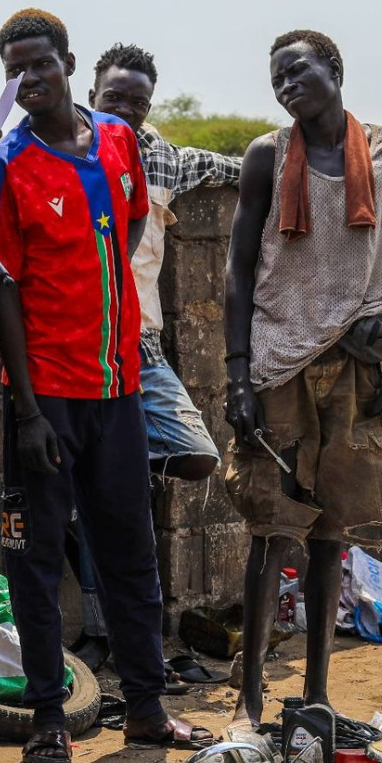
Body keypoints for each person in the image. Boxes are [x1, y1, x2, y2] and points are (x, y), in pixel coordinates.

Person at [0, 9, 215, 763]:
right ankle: (49, 714)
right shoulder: (6, 162)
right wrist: (26, 407)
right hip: (46, 402)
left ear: (68, 62)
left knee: (131, 552)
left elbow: (137, 222)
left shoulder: (117, 141)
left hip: (119, 390)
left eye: (41, 63)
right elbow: (3, 287)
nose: (30, 79)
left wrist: (105, 316)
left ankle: (145, 707)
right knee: (36, 561)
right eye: (15, 69)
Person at [223, 30, 382, 726]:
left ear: (335, 70)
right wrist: (237, 377)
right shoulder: (266, 158)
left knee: (331, 537)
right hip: (280, 362)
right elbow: (239, 273)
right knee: (270, 531)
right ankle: (248, 701)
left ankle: (316, 694)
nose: (287, 85)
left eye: (298, 70)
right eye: (277, 77)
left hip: (360, 367)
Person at [89, 42, 239, 481]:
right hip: (80, 338)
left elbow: (234, 168)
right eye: (112, 99)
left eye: (137, 103)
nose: (124, 111)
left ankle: (120, 466)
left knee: (196, 454)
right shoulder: (66, 153)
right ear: (91, 95)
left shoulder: (161, 159)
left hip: (140, 342)